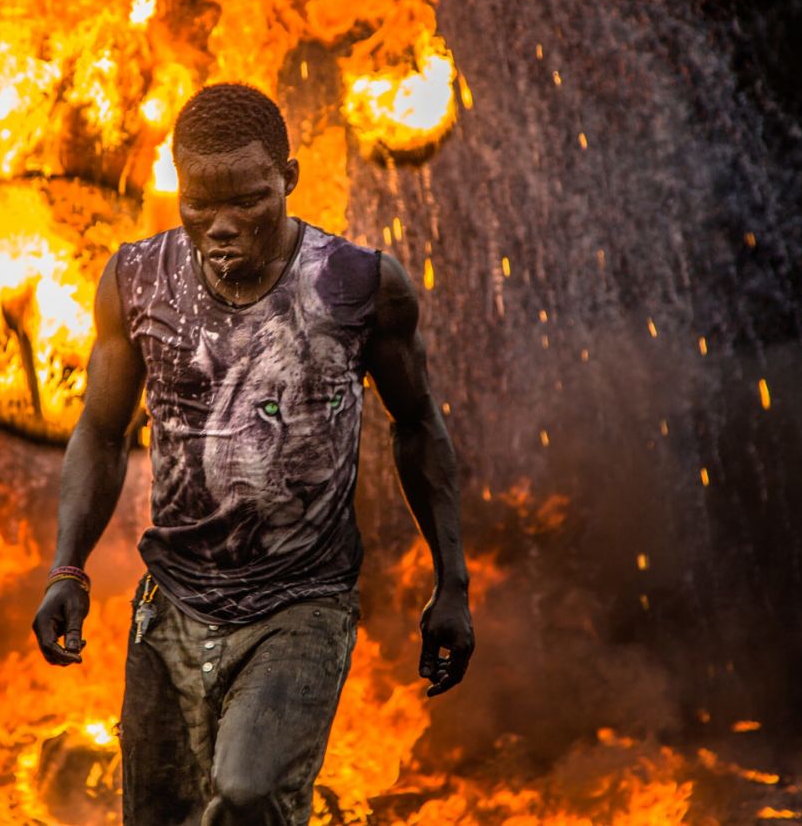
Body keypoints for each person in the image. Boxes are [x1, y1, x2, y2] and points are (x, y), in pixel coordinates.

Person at [32, 83, 473, 825]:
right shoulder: (135, 281)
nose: (223, 225)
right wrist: (66, 569)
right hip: (171, 607)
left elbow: (419, 424)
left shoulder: (360, 285)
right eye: (201, 204)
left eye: (249, 200)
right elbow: (101, 435)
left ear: (289, 180)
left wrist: (451, 582)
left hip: (302, 605)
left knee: (246, 796)